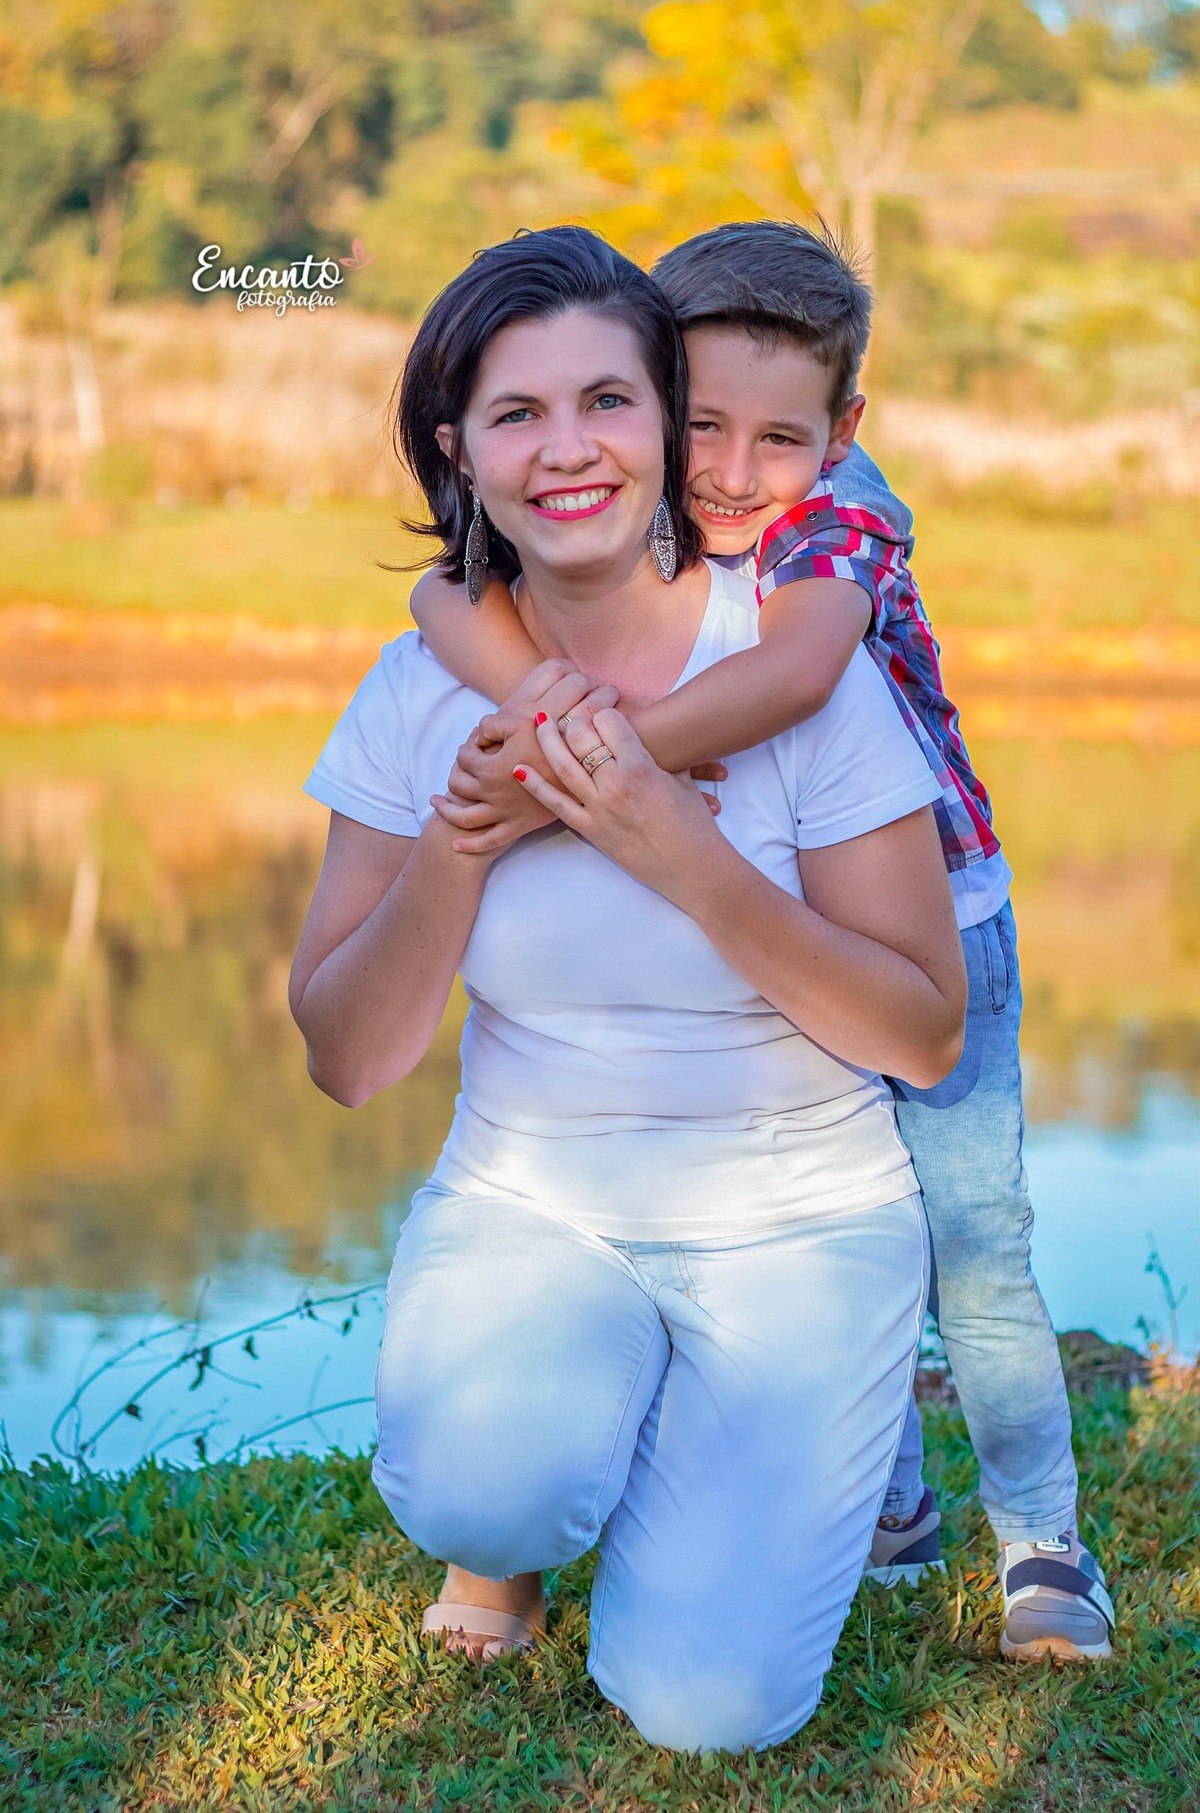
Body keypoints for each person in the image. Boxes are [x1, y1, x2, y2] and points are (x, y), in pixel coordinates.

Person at [290, 225, 967, 1753]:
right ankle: (512, 1524)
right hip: (533, 1196)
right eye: (517, 413)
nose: (568, 449)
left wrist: (681, 853)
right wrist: (462, 841)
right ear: (458, 449)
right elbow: (346, 1056)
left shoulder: (796, 666)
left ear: (668, 419)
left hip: (803, 1223)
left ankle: (694, 1445)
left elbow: (927, 1035)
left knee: (711, 1709)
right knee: (483, 1476)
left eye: (608, 400)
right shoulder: (417, 689)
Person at [411, 220, 1116, 1664]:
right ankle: (888, 1503)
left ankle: (1043, 1536)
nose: (734, 471)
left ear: (840, 431)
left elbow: (796, 675)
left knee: (972, 1245)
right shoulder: (637, 509)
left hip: (935, 922)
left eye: (779, 437)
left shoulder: (840, 515)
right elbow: (442, 596)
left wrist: (577, 777)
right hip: (785, 920)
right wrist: (562, 722)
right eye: (704, 426)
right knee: (848, 1210)